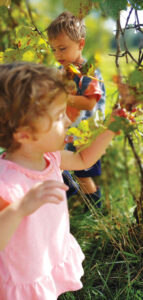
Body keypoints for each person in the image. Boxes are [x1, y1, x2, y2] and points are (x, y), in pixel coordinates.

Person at [0, 62, 115, 300]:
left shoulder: (49, 157)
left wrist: (112, 127)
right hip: (23, 273)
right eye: (58, 116)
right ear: (24, 134)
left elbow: (84, 159)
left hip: (47, 253)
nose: (68, 122)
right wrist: (20, 209)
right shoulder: (7, 182)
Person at [47, 11, 106, 208]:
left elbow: (89, 103)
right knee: (54, 159)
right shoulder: (62, 71)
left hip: (86, 133)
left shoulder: (87, 72)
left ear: (80, 44)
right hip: (67, 129)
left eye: (62, 49)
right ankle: (68, 189)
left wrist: (63, 96)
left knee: (83, 173)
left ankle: (95, 209)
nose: (57, 55)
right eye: (53, 49)